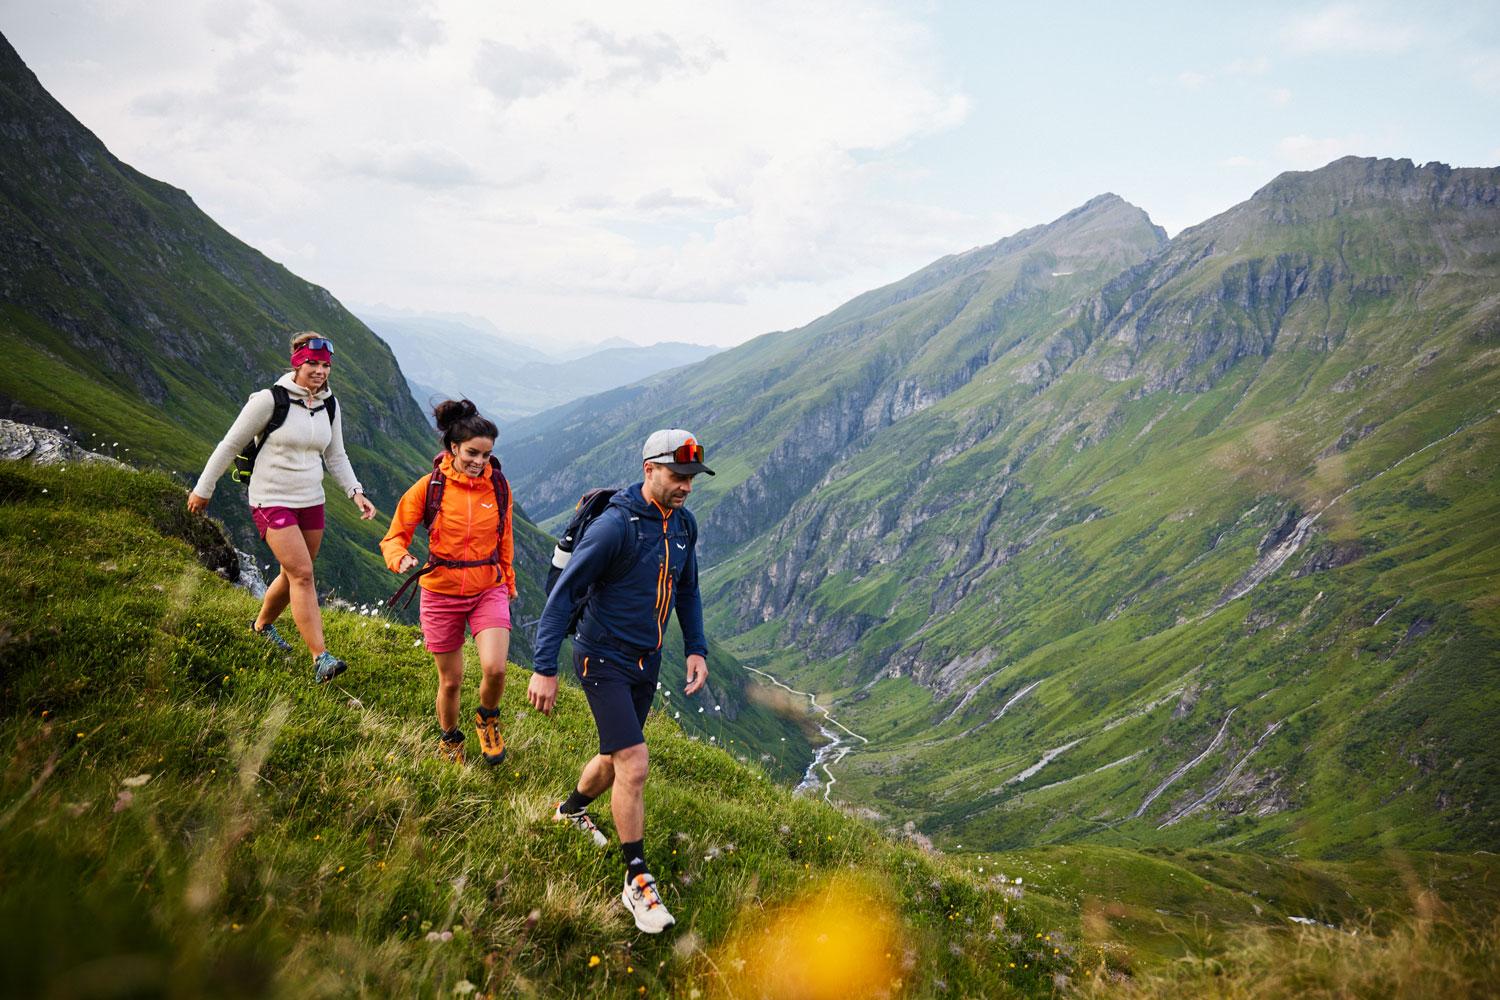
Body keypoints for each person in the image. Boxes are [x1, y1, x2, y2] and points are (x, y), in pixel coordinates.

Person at [528, 428, 713, 934]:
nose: (686, 486)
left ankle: (570, 811)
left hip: (646, 661)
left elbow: (687, 589)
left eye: (692, 477)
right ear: (648, 469)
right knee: (635, 761)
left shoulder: (683, 524)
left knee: (615, 757)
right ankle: (637, 879)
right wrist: (544, 667)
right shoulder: (615, 527)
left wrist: (696, 647)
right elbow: (564, 596)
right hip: (602, 657)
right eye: (677, 476)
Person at [188, 331, 376, 683]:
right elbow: (229, 445)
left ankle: (261, 626)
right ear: (297, 362)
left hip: (311, 500)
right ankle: (321, 658)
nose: (319, 371)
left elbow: (336, 455)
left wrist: (356, 492)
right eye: (312, 363)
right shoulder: (269, 400)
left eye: (325, 365)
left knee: (292, 574)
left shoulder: (329, 405)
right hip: (271, 498)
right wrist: (204, 488)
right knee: (303, 574)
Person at [381, 400, 515, 765]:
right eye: (472, 453)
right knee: (451, 681)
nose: (480, 462)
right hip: (440, 591)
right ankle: (450, 738)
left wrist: (508, 582)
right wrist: (399, 556)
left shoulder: (498, 487)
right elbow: (394, 536)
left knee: (495, 668)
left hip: (488, 587)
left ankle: (487, 718)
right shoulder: (430, 487)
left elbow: (504, 539)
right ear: (453, 447)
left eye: (486, 455)